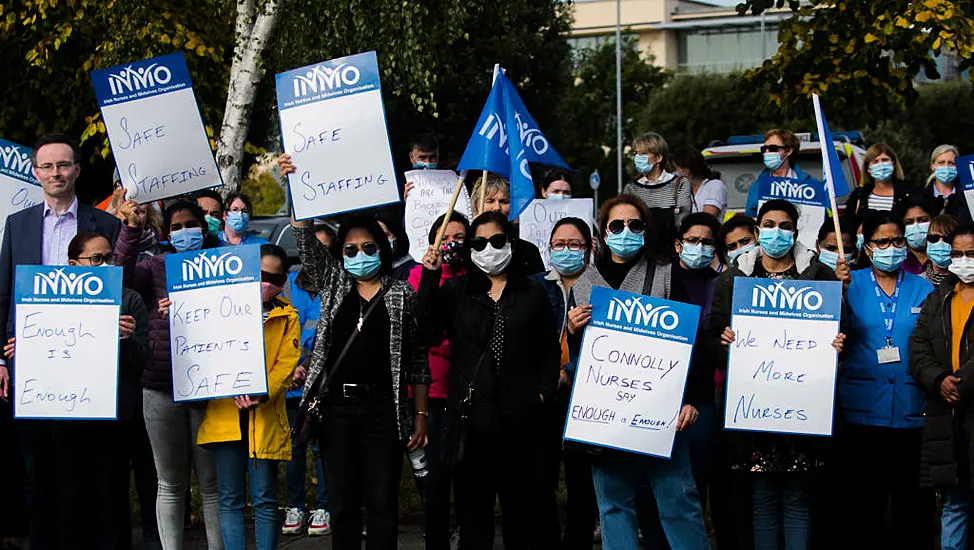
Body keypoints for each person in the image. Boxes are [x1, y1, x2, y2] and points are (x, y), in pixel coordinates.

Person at [0, 133, 123, 549]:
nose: (56, 173)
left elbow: (116, 291)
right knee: (36, 466)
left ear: (77, 170)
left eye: (63, 165)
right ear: (36, 173)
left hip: (86, 366)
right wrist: (1, 359)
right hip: (31, 363)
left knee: (82, 465)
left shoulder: (105, 224)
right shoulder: (17, 225)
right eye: (47, 166)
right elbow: (4, 294)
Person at [566, 195, 709, 549]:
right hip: (606, 415)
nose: (626, 231)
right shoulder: (583, 283)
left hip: (662, 413)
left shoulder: (665, 273)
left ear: (645, 231)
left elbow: (693, 341)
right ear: (603, 231)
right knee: (613, 507)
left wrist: (691, 399)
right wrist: (571, 329)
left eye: (635, 225)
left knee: (679, 502)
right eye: (617, 225)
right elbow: (576, 359)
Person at [710, 199, 848, 550]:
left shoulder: (819, 275)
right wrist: (722, 340)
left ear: (795, 232)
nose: (776, 232)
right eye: (769, 224)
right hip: (754, 409)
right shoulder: (734, 279)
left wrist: (838, 339)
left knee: (799, 497)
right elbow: (712, 334)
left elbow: (845, 325)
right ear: (756, 231)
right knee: (762, 497)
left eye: (785, 226)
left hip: (803, 408)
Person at [418, 211, 559, 550]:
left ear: (510, 242)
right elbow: (425, 330)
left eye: (497, 241)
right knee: (473, 520)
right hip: (471, 424)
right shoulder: (455, 291)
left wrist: (541, 395)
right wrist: (429, 277)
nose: (489, 249)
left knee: (521, 518)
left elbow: (548, 350)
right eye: (479, 243)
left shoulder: (531, 292)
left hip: (521, 422)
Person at [290, 210, 430, 550]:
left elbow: (417, 359)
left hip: (383, 411)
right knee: (342, 503)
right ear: (341, 255)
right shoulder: (334, 283)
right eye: (350, 249)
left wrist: (421, 416)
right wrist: (299, 200)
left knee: (383, 502)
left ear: (382, 249)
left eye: (368, 247)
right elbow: (306, 245)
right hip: (336, 410)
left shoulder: (400, 294)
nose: (360, 255)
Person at [2, 231, 148, 550]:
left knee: (111, 495)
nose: (107, 264)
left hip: (114, 417)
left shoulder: (128, 299)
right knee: (68, 495)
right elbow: (47, 349)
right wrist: (22, 350)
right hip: (66, 418)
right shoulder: (50, 299)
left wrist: (129, 339)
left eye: (110, 258)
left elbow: (141, 361)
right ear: (72, 264)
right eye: (96, 259)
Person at [114, 197, 225, 549]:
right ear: (165, 233)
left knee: (212, 484)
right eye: (176, 227)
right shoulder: (154, 267)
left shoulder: (226, 265)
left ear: (204, 227)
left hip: (211, 385)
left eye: (191, 224)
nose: (184, 232)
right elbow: (120, 276)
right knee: (170, 482)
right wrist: (130, 229)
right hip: (161, 385)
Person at [837, 210, 935, 550]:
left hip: (912, 410)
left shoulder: (924, 288)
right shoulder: (850, 283)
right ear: (867, 247)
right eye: (882, 241)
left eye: (897, 240)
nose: (890, 247)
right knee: (865, 505)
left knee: (913, 504)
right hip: (861, 409)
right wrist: (838, 288)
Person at [196, 244, 299, 550]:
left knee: (265, 497)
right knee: (230, 498)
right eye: (263, 274)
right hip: (225, 417)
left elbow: (287, 362)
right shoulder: (215, 310)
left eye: (277, 279)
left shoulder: (287, 316)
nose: (269, 283)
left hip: (265, 415)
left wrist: (262, 392)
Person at [532, 216, 599, 549]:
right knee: (541, 480)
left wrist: (570, 364)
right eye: (559, 245)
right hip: (545, 396)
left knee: (581, 484)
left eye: (575, 245)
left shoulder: (603, 289)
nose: (566, 251)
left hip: (586, 398)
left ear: (589, 249)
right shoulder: (534, 286)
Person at [407, 211, 469, 550]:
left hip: (461, 390)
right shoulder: (417, 276)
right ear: (432, 240)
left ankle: (461, 528)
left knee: (462, 470)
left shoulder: (473, 276)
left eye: (460, 237)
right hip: (427, 391)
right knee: (434, 477)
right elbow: (420, 328)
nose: (452, 243)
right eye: (446, 236)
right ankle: (436, 535)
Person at [912, 224, 974, 550]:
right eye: (958, 254)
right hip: (946, 418)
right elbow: (918, 346)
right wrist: (938, 380)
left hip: (968, 404)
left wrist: (963, 384)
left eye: (971, 254)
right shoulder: (938, 298)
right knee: (954, 505)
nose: (964, 261)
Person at [281, 223, 335, 537]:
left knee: (322, 449)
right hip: (290, 384)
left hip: (324, 384)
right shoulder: (286, 284)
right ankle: (295, 506)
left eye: (325, 247)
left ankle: (325, 506)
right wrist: (292, 367)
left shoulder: (338, 285)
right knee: (294, 448)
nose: (317, 253)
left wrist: (310, 363)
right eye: (312, 246)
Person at [470, 173, 546, 276]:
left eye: (503, 201)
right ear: (476, 204)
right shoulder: (466, 246)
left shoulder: (528, 251)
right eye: (490, 201)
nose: (497, 207)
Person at [623, 132, 692, 243]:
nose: (637, 158)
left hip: (670, 252)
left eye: (643, 153)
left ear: (658, 157)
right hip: (641, 250)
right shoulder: (631, 188)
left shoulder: (680, 184)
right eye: (636, 153)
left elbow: (682, 222)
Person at [744, 129, 816, 217]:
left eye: (772, 148)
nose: (767, 153)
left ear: (789, 151)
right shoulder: (757, 186)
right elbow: (749, 217)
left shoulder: (809, 184)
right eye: (764, 149)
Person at [842, 143, 912, 229]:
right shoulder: (859, 196)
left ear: (893, 165)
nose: (881, 165)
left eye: (885, 160)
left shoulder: (907, 195)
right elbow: (847, 225)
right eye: (875, 161)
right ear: (868, 169)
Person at [920, 145, 972, 223]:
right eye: (941, 162)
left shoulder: (969, 196)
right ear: (932, 166)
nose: (946, 166)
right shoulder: (921, 198)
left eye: (951, 163)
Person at [673, 146, 727, 219]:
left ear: (686, 170)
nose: (675, 172)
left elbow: (706, 219)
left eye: (676, 168)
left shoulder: (715, 186)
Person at [895, 196, 937, 276]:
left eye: (923, 220)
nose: (916, 227)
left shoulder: (943, 256)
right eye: (909, 222)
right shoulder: (896, 260)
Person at [374, 209, 418, 281]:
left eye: (385, 235)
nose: (380, 241)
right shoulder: (373, 275)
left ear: (397, 235)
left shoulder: (415, 272)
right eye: (375, 237)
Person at [923, 214, 958, 286]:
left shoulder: (966, 282)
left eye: (948, 239)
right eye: (934, 238)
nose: (940, 243)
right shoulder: (918, 280)